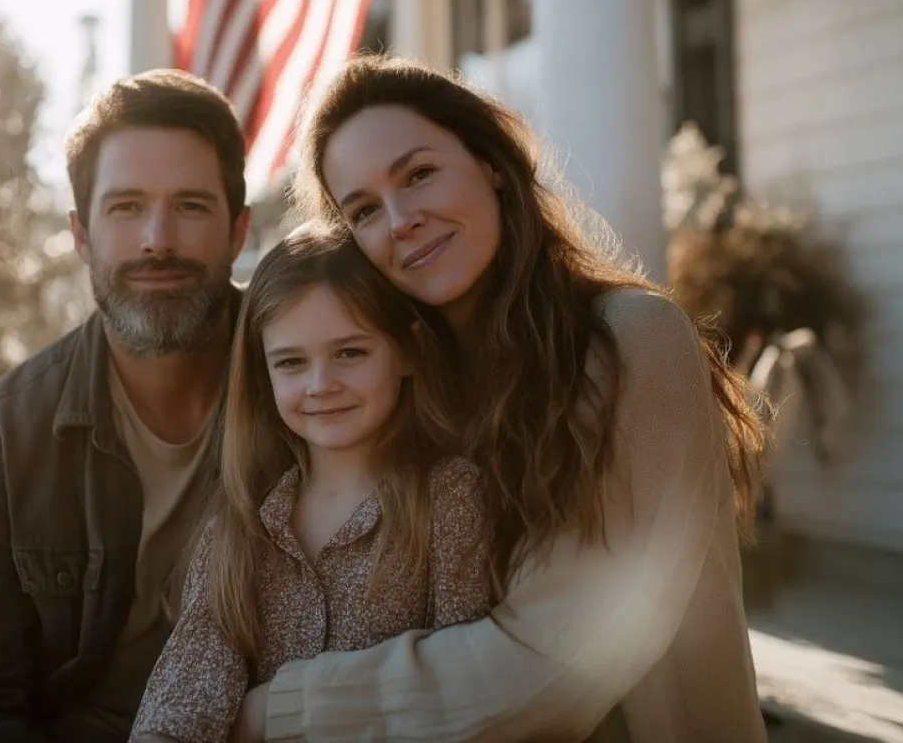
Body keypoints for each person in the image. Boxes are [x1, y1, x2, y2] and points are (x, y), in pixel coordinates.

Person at [229, 53, 772, 742]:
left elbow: (558, 662)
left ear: (490, 162)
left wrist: (282, 708)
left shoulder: (633, 339)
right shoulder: (399, 387)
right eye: (363, 209)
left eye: (419, 174)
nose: (400, 220)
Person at [0, 70, 251, 743]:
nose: (156, 240)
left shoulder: (325, 384)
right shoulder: (0, 441)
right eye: (126, 207)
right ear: (82, 235)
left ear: (238, 231)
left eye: (192, 206)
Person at [131, 222, 489, 743]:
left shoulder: (448, 498)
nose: (321, 385)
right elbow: (178, 710)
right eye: (292, 362)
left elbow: (467, 695)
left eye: (350, 353)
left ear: (407, 352)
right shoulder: (239, 533)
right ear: (264, 375)